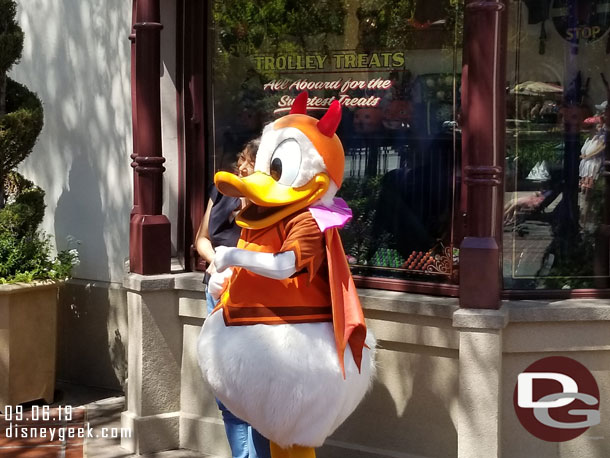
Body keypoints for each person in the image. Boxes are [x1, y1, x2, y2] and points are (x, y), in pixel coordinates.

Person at [195, 138, 270, 458]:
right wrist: (215, 261)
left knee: (253, 390)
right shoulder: (222, 190)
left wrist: (235, 268)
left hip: (250, 296)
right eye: (241, 158)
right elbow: (201, 238)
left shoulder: (272, 203)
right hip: (216, 289)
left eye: (250, 162)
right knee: (226, 391)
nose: (241, 165)